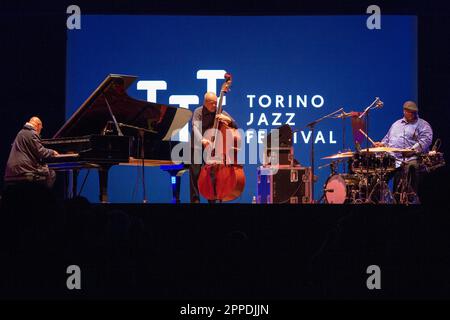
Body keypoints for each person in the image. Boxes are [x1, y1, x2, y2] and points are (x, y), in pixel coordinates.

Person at [373, 101, 433, 202]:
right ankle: (376, 199)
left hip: (410, 158)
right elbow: (387, 140)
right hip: (393, 159)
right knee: (377, 175)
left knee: (411, 167)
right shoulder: (396, 124)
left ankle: (407, 198)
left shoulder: (423, 125)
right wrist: (381, 144)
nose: (413, 114)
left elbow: (426, 140)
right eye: (410, 112)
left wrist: (412, 149)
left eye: (414, 112)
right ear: (404, 111)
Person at [189, 92, 238, 203]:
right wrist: (202, 140)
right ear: (205, 102)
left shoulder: (220, 111)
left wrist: (228, 119)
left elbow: (235, 126)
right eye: (213, 103)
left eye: (216, 103)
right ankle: (195, 201)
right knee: (195, 174)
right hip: (197, 146)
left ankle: (212, 199)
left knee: (212, 175)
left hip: (212, 148)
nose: (215, 105)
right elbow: (195, 128)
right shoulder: (198, 112)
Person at [4, 117, 59, 188]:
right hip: (24, 169)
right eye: (41, 129)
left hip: (11, 170)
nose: (39, 131)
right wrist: (52, 152)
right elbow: (41, 152)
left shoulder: (20, 132)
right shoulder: (32, 133)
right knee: (51, 173)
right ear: (38, 125)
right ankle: (42, 197)